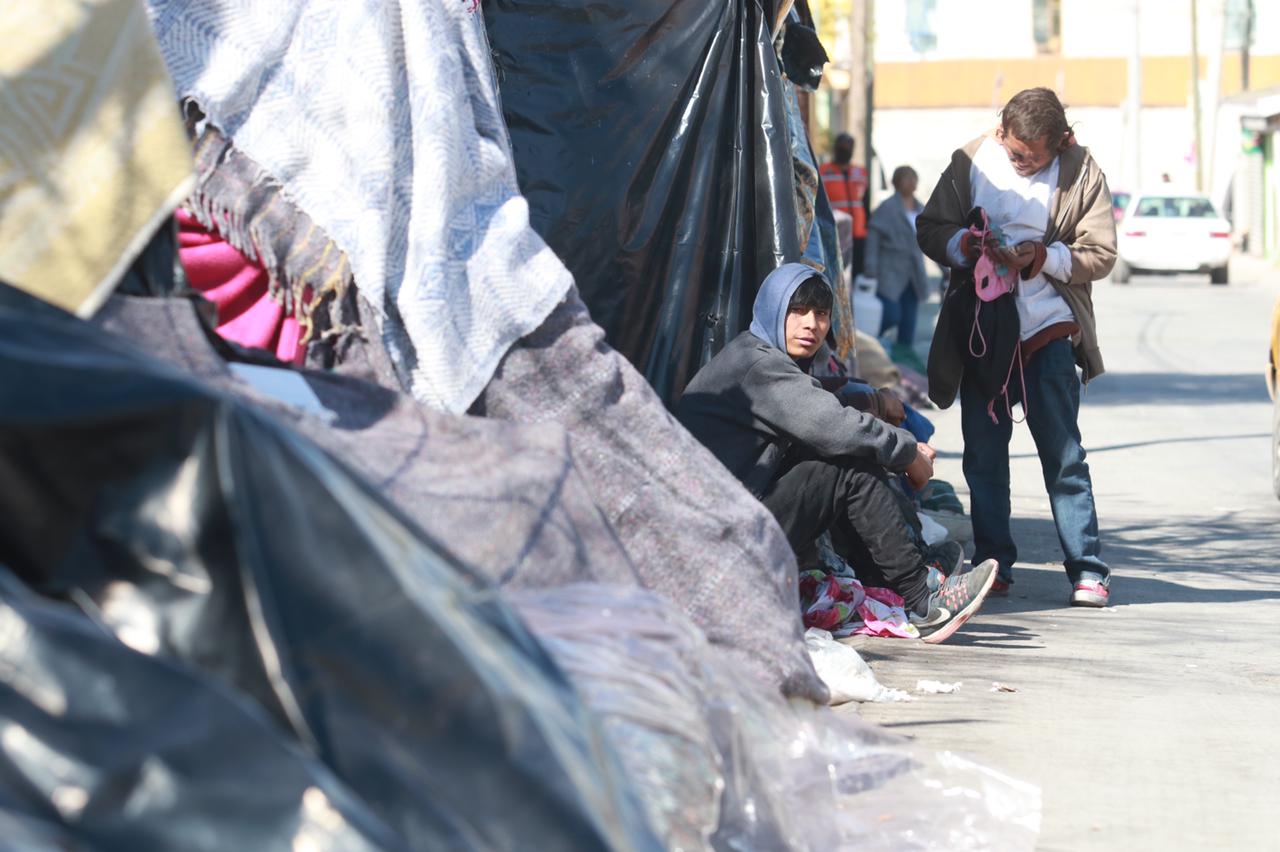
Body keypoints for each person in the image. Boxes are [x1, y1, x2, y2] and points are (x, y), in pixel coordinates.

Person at [676, 263, 997, 644]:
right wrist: (907, 451)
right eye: (797, 311)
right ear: (772, 310)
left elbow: (818, 400)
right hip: (717, 548)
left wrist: (873, 403)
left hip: (726, 531)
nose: (810, 324)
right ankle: (924, 599)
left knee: (843, 455)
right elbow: (833, 426)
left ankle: (895, 578)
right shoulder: (758, 365)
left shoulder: (761, 358)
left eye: (822, 314)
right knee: (847, 463)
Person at [916, 86, 1116, 607]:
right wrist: (966, 244)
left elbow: (1099, 251)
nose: (1022, 163)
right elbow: (932, 227)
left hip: (1046, 331)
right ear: (1001, 131)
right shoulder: (971, 159)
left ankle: (1087, 569)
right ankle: (994, 564)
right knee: (983, 455)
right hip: (984, 330)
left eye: (1034, 157)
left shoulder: (1081, 171)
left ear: (1061, 143)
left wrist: (1039, 257)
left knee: (1064, 455)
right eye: (1014, 152)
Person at [864, 165, 930, 372]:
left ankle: (904, 366)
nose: (910, 183)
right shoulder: (887, 208)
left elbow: (932, 239)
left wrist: (945, 267)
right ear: (896, 182)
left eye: (913, 178)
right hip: (889, 269)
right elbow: (873, 239)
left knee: (908, 323)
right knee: (892, 314)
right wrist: (870, 266)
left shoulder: (921, 208)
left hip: (913, 273)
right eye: (906, 178)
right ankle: (871, 344)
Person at [821, 133, 869, 275]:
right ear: (835, 149)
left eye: (849, 147)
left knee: (856, 273)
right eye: (842, 147)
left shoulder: (860, 172)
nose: (845, 150)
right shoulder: (823, 171)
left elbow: (865, 202)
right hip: (836, 232)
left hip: (858, 232)